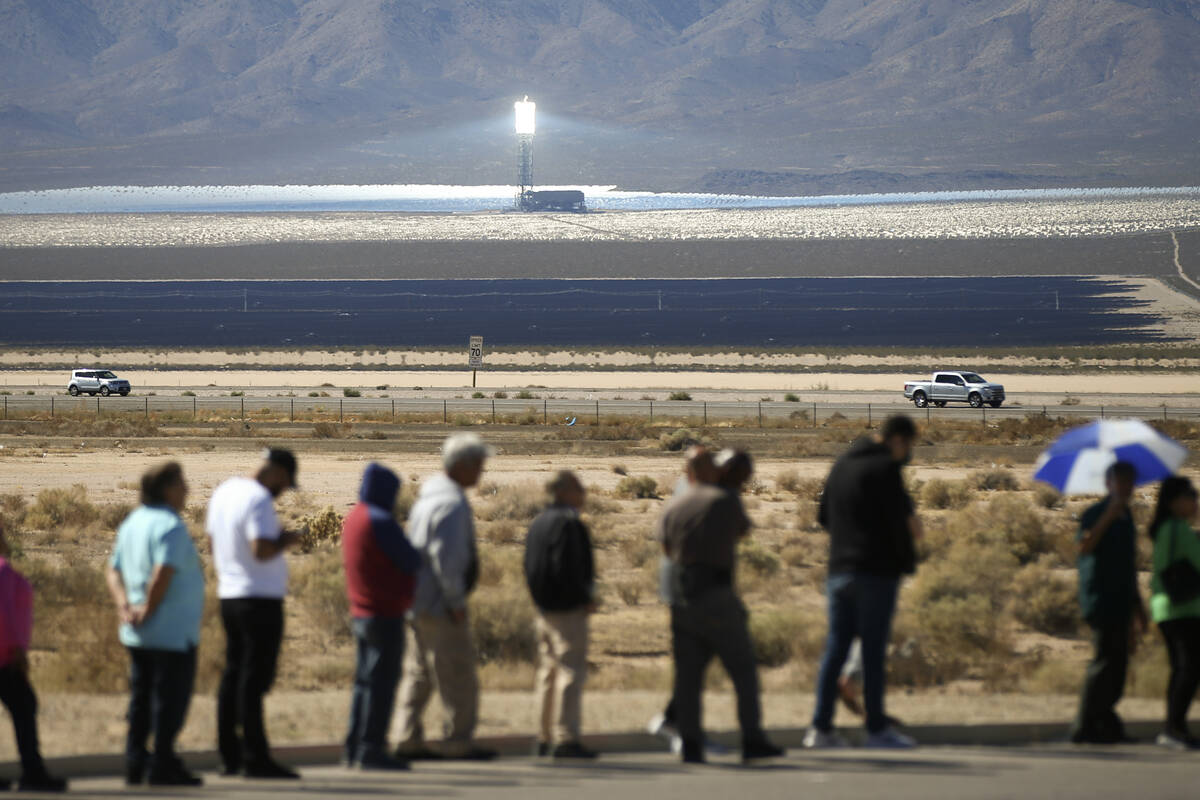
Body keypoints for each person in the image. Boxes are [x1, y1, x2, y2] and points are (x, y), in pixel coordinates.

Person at [659, 447, 784, 764]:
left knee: (688, 676)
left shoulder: (675, 504)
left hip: (681, 595)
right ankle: (752, 738)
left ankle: (690, 745)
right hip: (715, 593)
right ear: (710, 470)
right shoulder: (724, 500)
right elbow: (742, 531)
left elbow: (665, 545)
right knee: (742, 669)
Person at [805, 415, 921, 750]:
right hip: (876, 572)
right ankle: (877, 729)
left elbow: (823, 515)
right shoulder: (885, 469)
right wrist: (904, 558)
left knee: (836, 649)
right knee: (872, 651)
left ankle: (820, 728)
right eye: (909, 445)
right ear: (898, 439)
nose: (908, 452)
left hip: (839, 570)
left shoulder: (842, 465)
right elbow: (903, 522)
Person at [396, 433, 497, 761]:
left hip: (417, 601)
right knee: (456, 673)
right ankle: (458, 741)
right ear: (463, 465)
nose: (481, 471)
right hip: (440, 605)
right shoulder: (451, 504)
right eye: (479, 465)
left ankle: (405, 737)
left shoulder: (427, 498)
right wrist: (455, 603)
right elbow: (448, 560)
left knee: (419, 673)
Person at [107, 462, 206, 786]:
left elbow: (113, 569)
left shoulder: (133, 522)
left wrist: (125, 605)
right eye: (181, 483)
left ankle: (135, 761)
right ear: (167, 489)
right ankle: (162, 762)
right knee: (169, 701)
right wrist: (148, 609)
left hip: (137, 632)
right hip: (171, 633)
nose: (187, 489)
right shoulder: (170, 526)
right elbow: (163, 572)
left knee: (141, 698)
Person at [207, 448, 303, 779]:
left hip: (230, 596)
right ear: (276, 472)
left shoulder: (224, 491)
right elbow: (260, 549)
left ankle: (229, 754)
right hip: (258, 600)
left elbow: (210, 543)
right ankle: (255, 757)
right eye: (286, 482)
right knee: (254, 679)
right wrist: (286, 540)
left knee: (233, 675)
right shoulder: (259, 499)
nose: (284, 490)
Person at [342, 463, 422, 770]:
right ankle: (371, 749)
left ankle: (354, 746)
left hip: (361, 612)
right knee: (381, 685)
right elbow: (410, 558)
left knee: (364, 684)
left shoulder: (354, 517)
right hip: (383, 613)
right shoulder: (379, 521)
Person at [648, 446, 721, 753]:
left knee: (695, 662)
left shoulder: (688, 493)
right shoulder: (697, 499)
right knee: (694, 662)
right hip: (689, 589)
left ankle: (676, 721)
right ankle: (684, 731)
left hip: (685, 587)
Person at [1070, 461, 1147, 745]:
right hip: (1100, 599)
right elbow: (1084, 547)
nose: (1127, 488)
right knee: (1103, 662)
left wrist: (1138, 609)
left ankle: (1105, 724)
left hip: (1123, 599)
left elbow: (1129, 566)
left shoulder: (1127, 520)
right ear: (1108, 484)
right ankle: (1084, 725)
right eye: (1121, 481)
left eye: (1130, 482)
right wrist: (1108, 516)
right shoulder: (1095, 513)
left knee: (1119, 665)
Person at [524, 471, 597, 760]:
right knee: (569, 671)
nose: (584, 493)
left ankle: (543, 736)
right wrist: (583, 598)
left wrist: (540, 600)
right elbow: (568, 567)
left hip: (544, 608)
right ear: (565, 491)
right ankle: (566, 738)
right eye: (579, 488)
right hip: (567, 609)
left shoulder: (538, 522)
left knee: (548, 673)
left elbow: (529, 565)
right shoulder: (569, 523)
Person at [0, 520, 66, 793]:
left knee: (24, 706)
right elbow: (4, 613)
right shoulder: (2, 570)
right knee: (25, 707)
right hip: (5, 657)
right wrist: (17, 649)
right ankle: (33, 773)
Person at [1147, 476, 1200, 750]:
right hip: (1181, 607)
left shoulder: (1168, 528)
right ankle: (1173, 728)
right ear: (1175, 501)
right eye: (1191, 496)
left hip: (1168, 607)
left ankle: (1174, 727)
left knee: (1182, 668)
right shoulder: (1177, 530)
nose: (1195, 502)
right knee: (1188, 668)